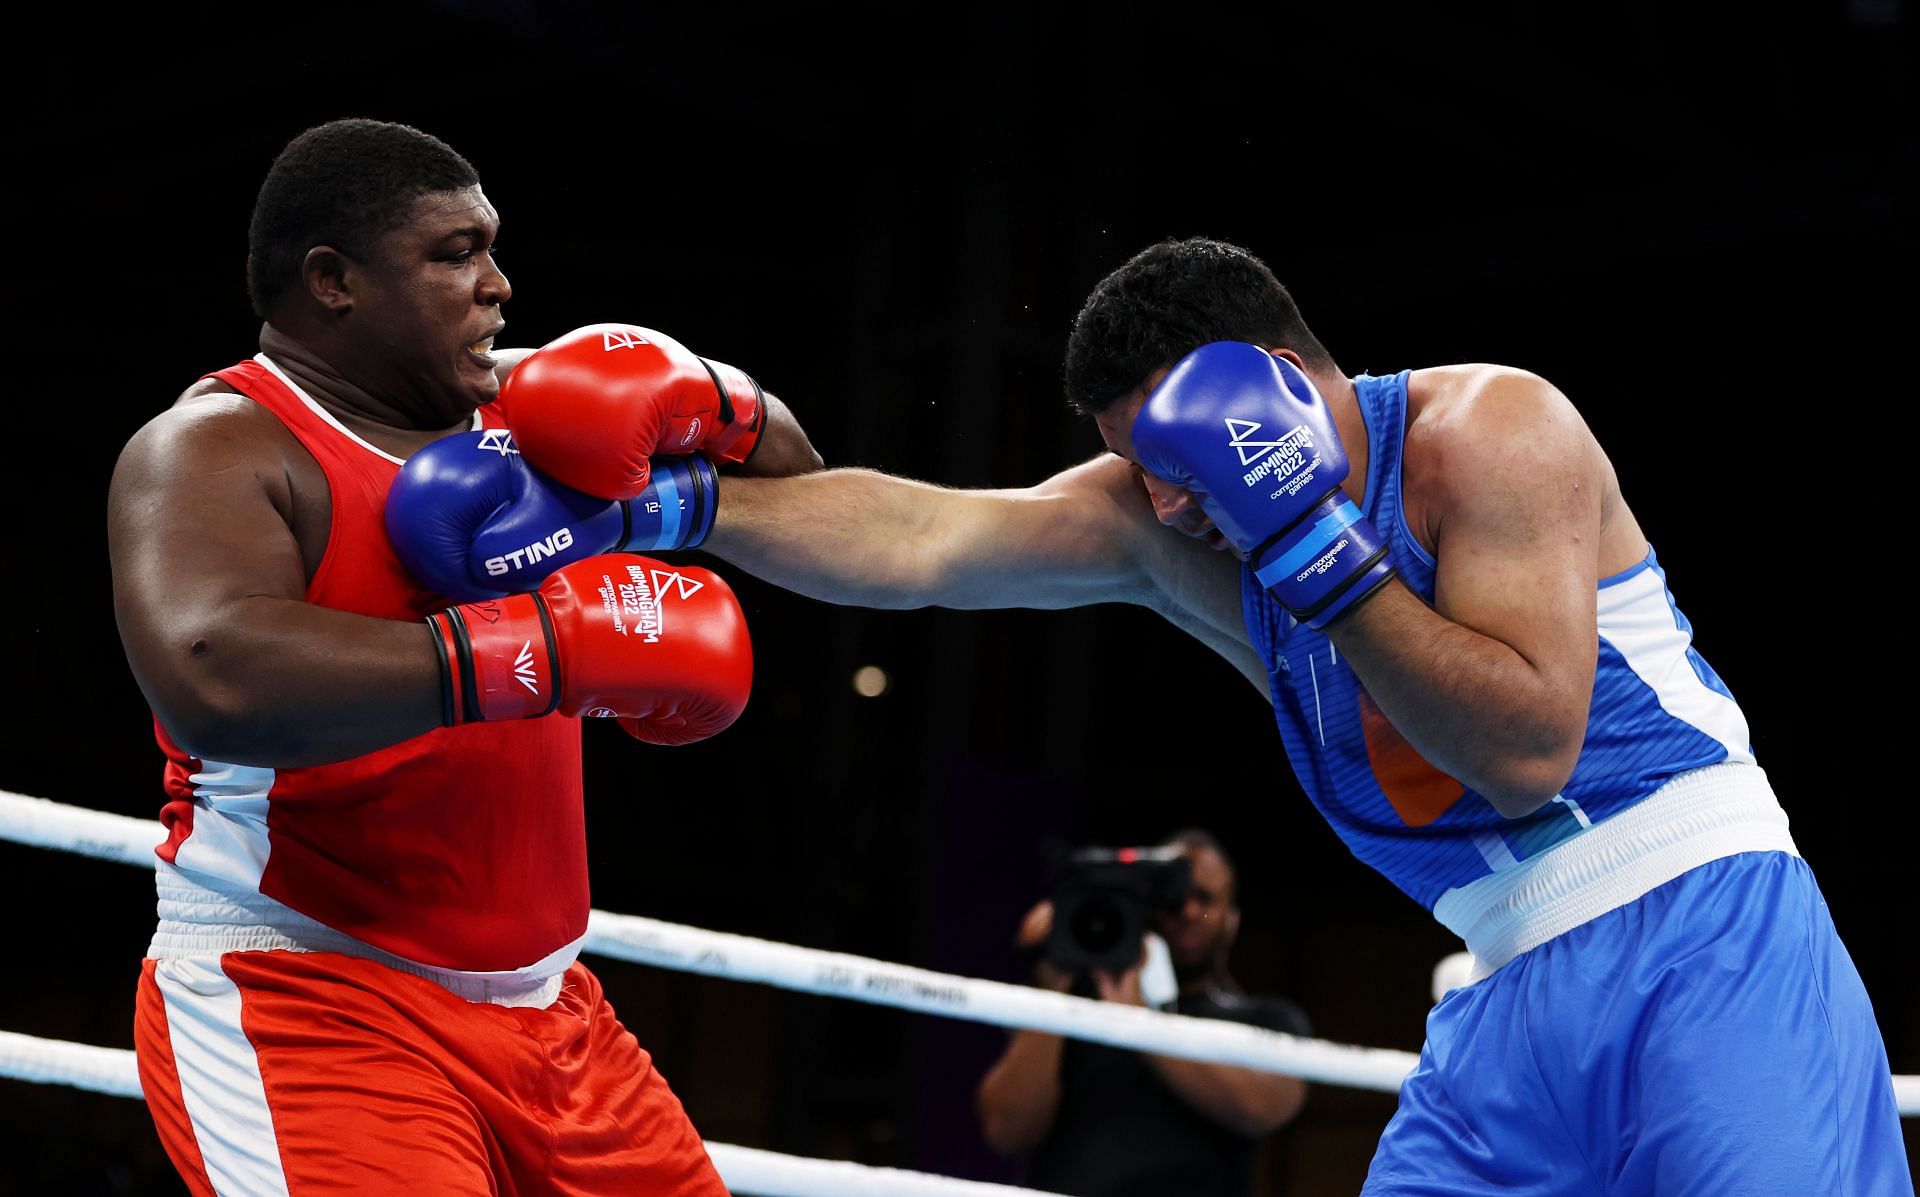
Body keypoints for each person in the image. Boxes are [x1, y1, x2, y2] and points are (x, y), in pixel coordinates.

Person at [671, 237, 1909, 1193]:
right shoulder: (1164, 516)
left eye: (1176, 453)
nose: (1162, 505)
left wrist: (1317, 545)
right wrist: (665, 511)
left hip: (1706, 938)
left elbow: (1529, 753)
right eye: (1136, 463)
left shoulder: (1487, 430)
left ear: (1269, 391)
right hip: (1502, 990)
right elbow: (923, 538)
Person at [107, 116, 819, 1196]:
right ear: (334, 280)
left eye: (490, 248)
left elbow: (794, 482)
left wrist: (705, 392)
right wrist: (538, 650)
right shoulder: (219, 445)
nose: (498, 284)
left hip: (552, 1016)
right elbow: (214, 675)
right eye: (454, 253)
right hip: (313, 997)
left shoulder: (531, 414)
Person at [975, 829, 1309, 1197]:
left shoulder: (1261, 1018)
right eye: (1173, 897)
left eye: (1205, 898)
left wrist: (1140, 1023)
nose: (1187, 911)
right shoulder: (1073, 1010)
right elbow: (1004, 1131)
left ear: (1232, 919)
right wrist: (1056, 990)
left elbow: (1266, 1107)